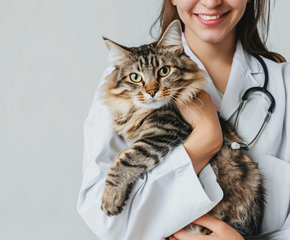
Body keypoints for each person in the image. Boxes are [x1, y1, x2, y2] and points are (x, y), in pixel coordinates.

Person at [77, 0, 290, 239]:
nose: (211, 2)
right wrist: (203, 143)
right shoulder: (120, 86)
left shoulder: (285, 85)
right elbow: (105, 219)